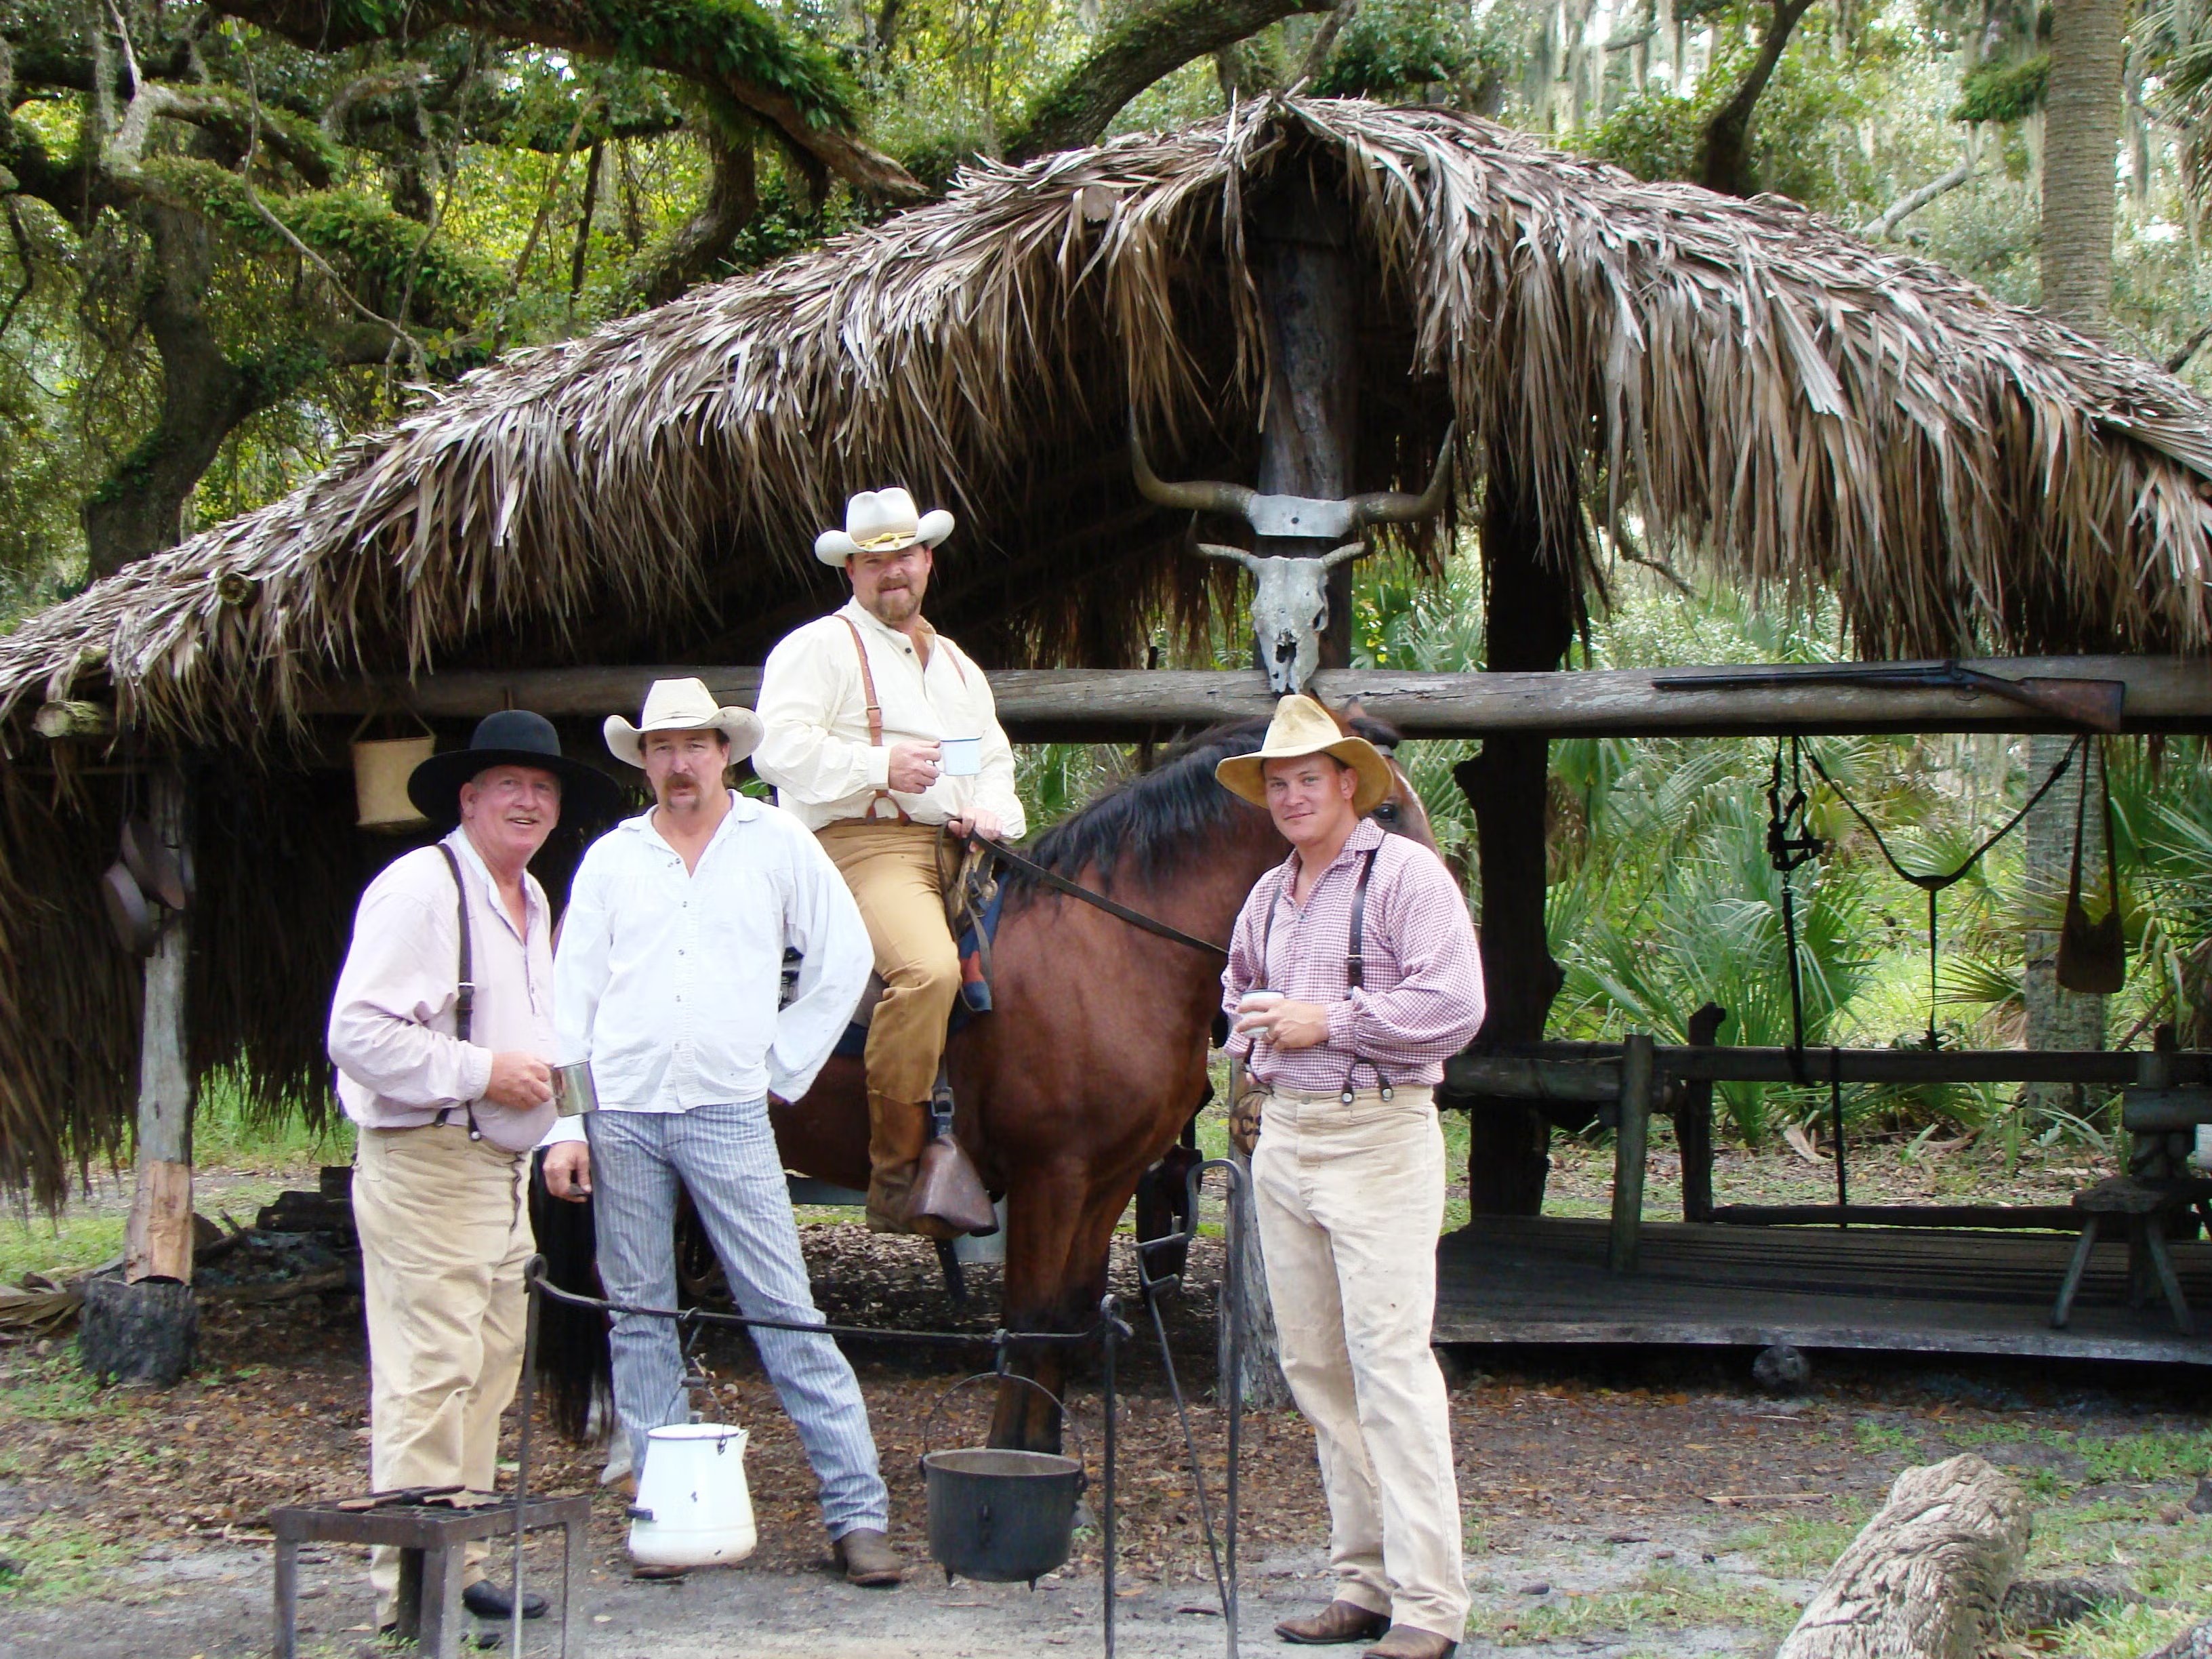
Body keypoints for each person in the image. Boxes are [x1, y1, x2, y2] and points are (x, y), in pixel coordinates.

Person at [548, 677, 903, 1586]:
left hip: (728, 1108)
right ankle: (667, 1506)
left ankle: (857, 1516)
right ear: (645, 760)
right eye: (661, 748)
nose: (678, 763)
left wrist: (777, 1068)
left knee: (786, 1310)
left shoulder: (774, 840)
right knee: (638, 1313)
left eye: (694, 745)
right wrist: (566, 1123)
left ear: (724, 752)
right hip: (622, 1109)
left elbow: (846, 956)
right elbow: (569, 997)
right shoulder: (614, 858)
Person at [328, 709, 621, 1631]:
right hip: (424, 1160)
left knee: (491, 1366)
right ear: (468, 798)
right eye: (509, 786)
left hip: (499, 1172)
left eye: (543, 789)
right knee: (430, 1367)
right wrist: (480, 1072)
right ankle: (413, 1596)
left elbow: (544, 1038)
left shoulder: (531, 900)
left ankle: (460, 1564)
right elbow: (358, 1033)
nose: (528, 801)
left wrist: (558, 1128)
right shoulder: (420, 889)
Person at [1214, 695, 1487, 1659]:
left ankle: (1429, 1608)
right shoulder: (1268, 894)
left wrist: (1325, 1020)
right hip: (1286, 1141)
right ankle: (1362, 1584)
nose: (1290, 796)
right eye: (1276, 783)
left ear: (1347, 783)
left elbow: (1455, 1004)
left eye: (1306, 779)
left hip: (1379, 1136)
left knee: (1392, 1369)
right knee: (1320, 1371)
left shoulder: (1406, 875)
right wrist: (1252, 1022)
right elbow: (1237, 982)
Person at [751, 487, 1025, 1237]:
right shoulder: (819, 649)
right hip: (861, 848)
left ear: (927, 561)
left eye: (903, 555)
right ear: (852, 572)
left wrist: (994, 812)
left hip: (961, 851)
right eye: (874, 561)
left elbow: (989, 759)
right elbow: (776, 749)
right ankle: (897, 1180)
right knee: (929, 973)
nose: (890, 571)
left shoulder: (959, 668)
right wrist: (879, 766)